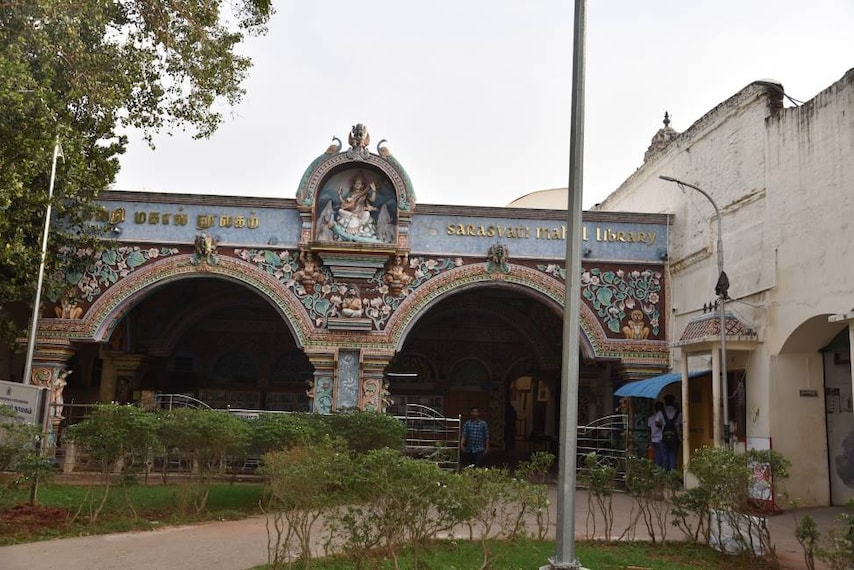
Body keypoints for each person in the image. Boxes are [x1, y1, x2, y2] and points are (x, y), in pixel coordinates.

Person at [336, 172, 378, 238]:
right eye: (356, 183)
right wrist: (340, 195)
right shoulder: (351, 194)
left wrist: (374, 191)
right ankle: (353, 216)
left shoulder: (364, 194)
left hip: (360, 213)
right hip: (352, 213)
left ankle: (361, 227)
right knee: (340, 210)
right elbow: (344, 204)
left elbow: (372, 200)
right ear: (353, 185)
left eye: (359, 184)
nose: (357, 185)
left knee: (367, 214)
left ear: (362, 185)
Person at [661, 394, 682, 471]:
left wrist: (663, 426)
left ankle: (665, 473)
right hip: (675, 438)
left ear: (665, 402)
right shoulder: (679, 413)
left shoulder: (661, 413)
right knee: (673, 456)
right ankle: (673, 473)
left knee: (665, 457)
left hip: (664, 438)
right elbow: (682, 424)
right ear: (673, 402)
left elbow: (657, 422)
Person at [648, 401, 665, 468]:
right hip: (661, 439)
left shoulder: (651, 418)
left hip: (653, 439)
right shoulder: (663, 417)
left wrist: (649, 440)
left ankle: (656, 468)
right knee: (661, 456)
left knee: (656, 455)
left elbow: (649, 430)